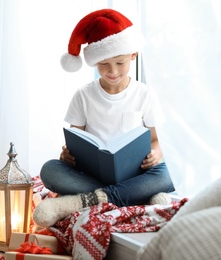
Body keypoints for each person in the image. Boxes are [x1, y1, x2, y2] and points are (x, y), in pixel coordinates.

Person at [33, 9, 175, 227]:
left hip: (133, 174)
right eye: (103, 64)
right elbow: (75, 140)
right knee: (50, 170)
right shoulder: (83, 95)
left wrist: (155, 154)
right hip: (92, 175)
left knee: (167, 173)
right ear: (94, 62)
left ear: (132, 55)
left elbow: (155, 140)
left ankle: (87, 200)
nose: (112, 71)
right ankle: (135, 197)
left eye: (120, 63)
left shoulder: (145, 94)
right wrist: (67, 155)